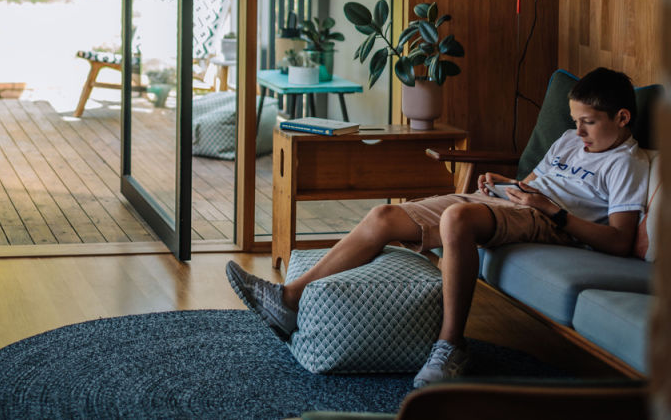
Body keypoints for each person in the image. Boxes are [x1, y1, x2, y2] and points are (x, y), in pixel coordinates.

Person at [226, 67, 649, 388]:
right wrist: (506, 184)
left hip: (549, 221)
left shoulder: (627, 163)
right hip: (516, 203)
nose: (577, 131)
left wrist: (552, 212)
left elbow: (618, 240)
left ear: (623, 117)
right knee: (385, 216)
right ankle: (288, 298)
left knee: (457, 218)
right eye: (575, 120)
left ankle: (451, 346)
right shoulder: (570, 141)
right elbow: (534, 183)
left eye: (588, 122)